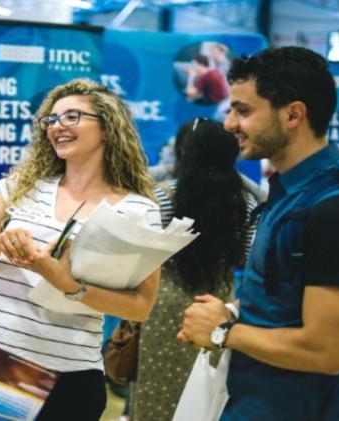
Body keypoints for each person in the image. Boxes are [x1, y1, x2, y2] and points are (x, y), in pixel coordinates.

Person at [179, 46, 339, 419]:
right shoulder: (290, 192)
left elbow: (327, 351)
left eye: (243, 111)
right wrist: (232, 311)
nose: (229, 124)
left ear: (294, 114)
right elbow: (286, 299)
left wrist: (223, 332)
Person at [0, 78, 161, 420]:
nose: (57, 127)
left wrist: (67, 284)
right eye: (51, 120)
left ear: (107, 129)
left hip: (70, 375)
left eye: (72, 117)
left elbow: (141, 307)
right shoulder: (22, 187)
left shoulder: (138, 210)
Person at [132, 118, 258, 421]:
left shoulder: (161, 195)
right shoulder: (245, 201)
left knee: (155, 392)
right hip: (217, 305)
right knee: (206, 397)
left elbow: (140, 254)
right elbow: (248, 259)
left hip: (161, 306)